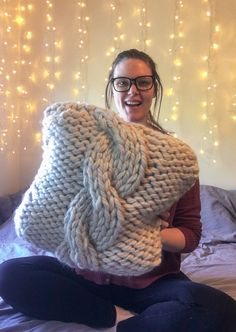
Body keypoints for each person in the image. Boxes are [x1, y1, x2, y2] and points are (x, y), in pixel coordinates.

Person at [0, 49, 235, 332]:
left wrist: (141, 233)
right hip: (87, 274)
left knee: (217, 309)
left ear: (154, 88)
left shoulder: (176, 160)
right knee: (9, 273)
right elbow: (57, 205)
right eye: (122, 82)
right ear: (112, 88)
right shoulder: (83, 145)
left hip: (151, 283)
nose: (132, 91)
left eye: (142, 82)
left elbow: (191, 236)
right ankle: (115, 318)